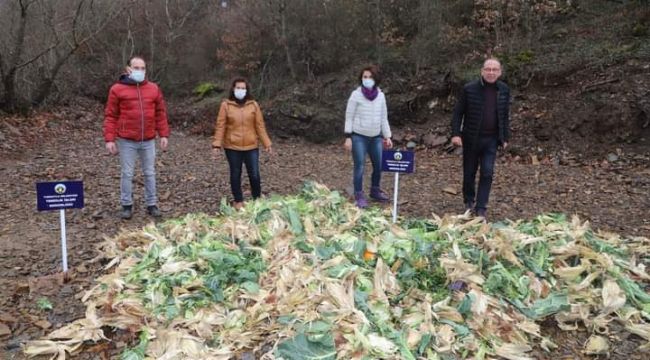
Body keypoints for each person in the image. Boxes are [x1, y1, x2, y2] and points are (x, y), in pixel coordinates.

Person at [103, 56, 170, 220]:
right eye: (136, 67)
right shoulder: (117, 89)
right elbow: (111, 115)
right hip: (127, 140)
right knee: (127, 173)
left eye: (142, 68)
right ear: (128, 69)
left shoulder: (153, 88)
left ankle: (152, 204)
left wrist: (164, 134)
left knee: (150, 173)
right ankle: (126, 205)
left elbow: (160, 113)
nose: (140, 71)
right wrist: (109, 139)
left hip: (148, 139)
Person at [451, 58, 510, 220]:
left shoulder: (504, 90)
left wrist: (505, 136)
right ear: (482, 71)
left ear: (500, 72)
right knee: (469, 172)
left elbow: (505, 115)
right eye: (488, 69)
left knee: (487, 172)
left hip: (491, 139)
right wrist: (456, 134)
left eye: (494, 70)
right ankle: (469, 201)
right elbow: (457, 113)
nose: (491, 72)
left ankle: (481, 207)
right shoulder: (469, 89)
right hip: (471, 138)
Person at [212, 78, 272, 210]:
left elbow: (259, 125)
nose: (241, 90)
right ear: (233, 89)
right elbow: (220, 126)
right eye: (238, 88)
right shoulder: (226, 105)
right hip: (232, 146)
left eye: (243, 88)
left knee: (254, 174)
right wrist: (216, 144)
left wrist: (266, 143)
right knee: (235, 173)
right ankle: (238, 200)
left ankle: (257, 198)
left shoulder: (253, 105)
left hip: (251, 145)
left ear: (247, 90)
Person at [344, 65, 393, 208]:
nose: (367, 79)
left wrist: (387, 136)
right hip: (359, 137)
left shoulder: (381, 96)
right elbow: (349, 117)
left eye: (370, 77)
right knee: (359, 166)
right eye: (364, 77)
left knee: (378, 165)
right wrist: (348, 136)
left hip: (376, 137)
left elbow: (384, 117)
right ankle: (358, 194)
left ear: (376, 79)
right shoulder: (356, 95)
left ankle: (375, 190)